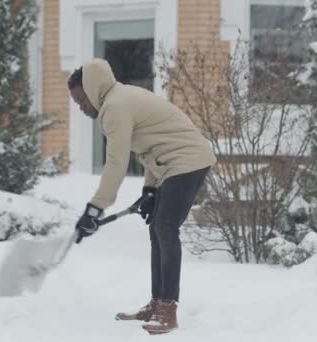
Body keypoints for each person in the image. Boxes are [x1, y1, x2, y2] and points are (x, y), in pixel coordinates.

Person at [67, 58, 216, 335]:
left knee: (165, 227)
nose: (80, 106)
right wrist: (150, 189)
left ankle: (168, 310)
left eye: (80, 99)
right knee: (156, 229)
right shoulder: (120, 99)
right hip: (171, 163)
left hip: (188, 160)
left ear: (91, 88)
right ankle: (157, 303)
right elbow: (153, 144)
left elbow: (116, 163)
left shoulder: (115, 107)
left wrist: (95, 208)